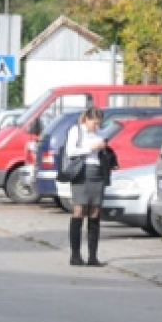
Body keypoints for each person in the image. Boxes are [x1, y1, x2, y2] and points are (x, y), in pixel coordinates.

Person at [62, 107, 118, 267]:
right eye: (94, 123)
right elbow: (70, 152)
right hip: (82, 172)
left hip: (98, 173)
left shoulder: (100, 132)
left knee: (95, 211)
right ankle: (75, 255)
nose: (96, 126)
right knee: (79, 209)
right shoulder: (76, 131)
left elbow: (103, 150)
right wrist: (91, 147)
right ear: (86, 119)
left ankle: (93, 256)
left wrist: (105, 149)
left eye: (99, 123)